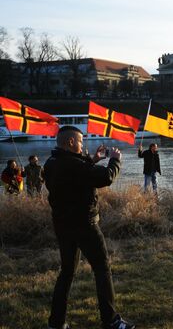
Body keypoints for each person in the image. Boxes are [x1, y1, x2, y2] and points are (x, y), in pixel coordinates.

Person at [43, 126, 134, 329]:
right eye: (81, 142)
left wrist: (92, 160)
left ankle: (56, 323)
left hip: (62, 225)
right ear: (71, 142)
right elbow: (106, 178)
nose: (83, 145)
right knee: (102, 268)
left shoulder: (51, 163)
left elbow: (76, 175)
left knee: (66, 272)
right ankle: (111, 321)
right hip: (84, 224)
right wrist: (115, 160)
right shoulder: (73, 165)